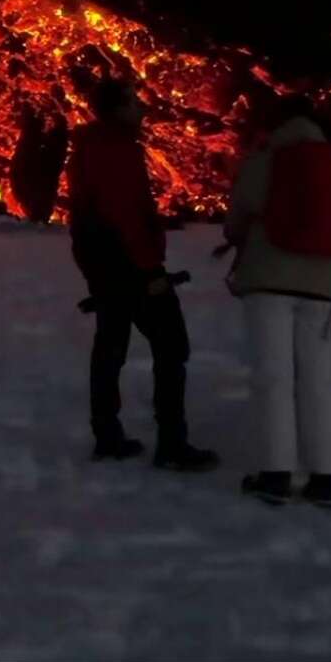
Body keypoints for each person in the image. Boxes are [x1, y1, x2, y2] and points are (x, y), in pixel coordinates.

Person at [67, 78, 219, 471]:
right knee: (171, 345)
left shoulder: (88, 146)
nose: (142, 109)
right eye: (135, 102)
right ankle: (172, 442)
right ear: (117, 109)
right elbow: (126, 213)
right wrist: (148, 265)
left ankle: (107, 435)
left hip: (104, 264)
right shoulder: (115, 151)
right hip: (129, 264)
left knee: (110, 346)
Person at [223, 98, 331, 506]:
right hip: (324, 282)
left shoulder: (267, 157)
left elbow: (239, 215)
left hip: (270, 278)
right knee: (321, 382)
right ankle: (326, 476)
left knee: (274, 378)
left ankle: (277, 474)